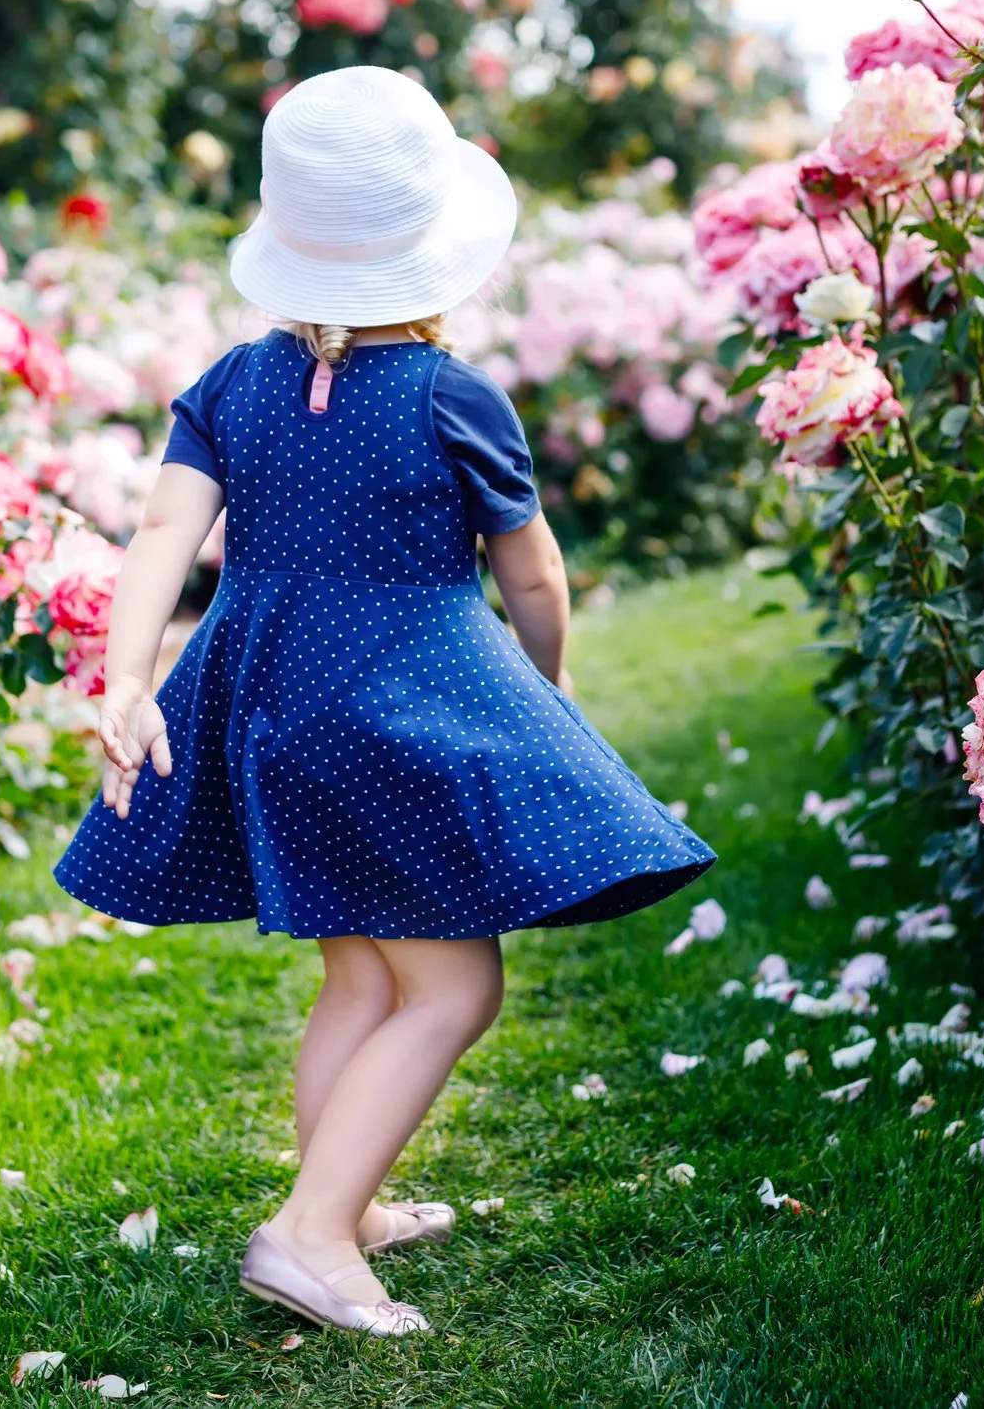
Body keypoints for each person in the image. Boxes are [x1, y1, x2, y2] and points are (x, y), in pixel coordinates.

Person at [54, 66, 714, 1337]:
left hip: (266, 705)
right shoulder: (450, 395)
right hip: (396, 708)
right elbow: (533, 571)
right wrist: (548, 677)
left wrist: (130, 675)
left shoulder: (233, 383)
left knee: (360, 976)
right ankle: (307, 1232)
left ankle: (342, 1205)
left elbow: (162, 532)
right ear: (434, 250)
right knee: (455, 988)